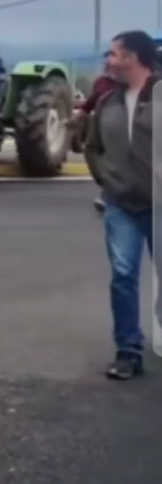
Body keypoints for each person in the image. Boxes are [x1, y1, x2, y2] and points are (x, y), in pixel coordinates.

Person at [84, 29, 158, 381]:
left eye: (113, 54)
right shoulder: (107, 102)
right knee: (123, 277)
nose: (108, 61)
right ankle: (128, 352)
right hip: (121, 205)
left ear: (132, 58)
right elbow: (92, 148)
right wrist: (107, 180)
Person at [79, 54, 117, 214]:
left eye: (112, 59)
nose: (107, 64)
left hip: (120, 127)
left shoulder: (130, 83)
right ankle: (107, 189)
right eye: (106, 61)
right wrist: (78, 116)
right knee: (92, 153)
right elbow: (92, 102)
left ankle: (109, 195)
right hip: (101, 124)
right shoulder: (101, 82)